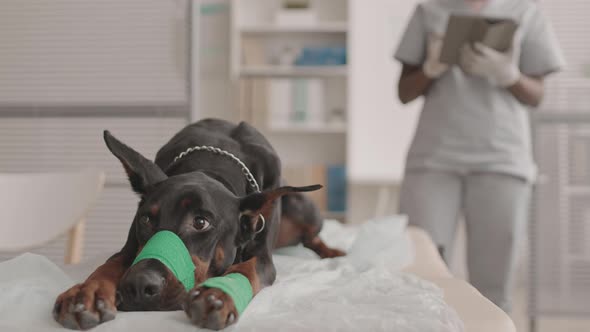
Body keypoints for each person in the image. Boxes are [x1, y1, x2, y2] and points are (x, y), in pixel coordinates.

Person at [394, 0, 564, 312]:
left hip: (502, 160)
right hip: (433, 161)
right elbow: (404, 92)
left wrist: (509, 75)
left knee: (492, 286)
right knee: (420, 277)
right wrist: (431, 68)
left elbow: (537, 94)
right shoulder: (427, 12)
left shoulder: (525, 13)